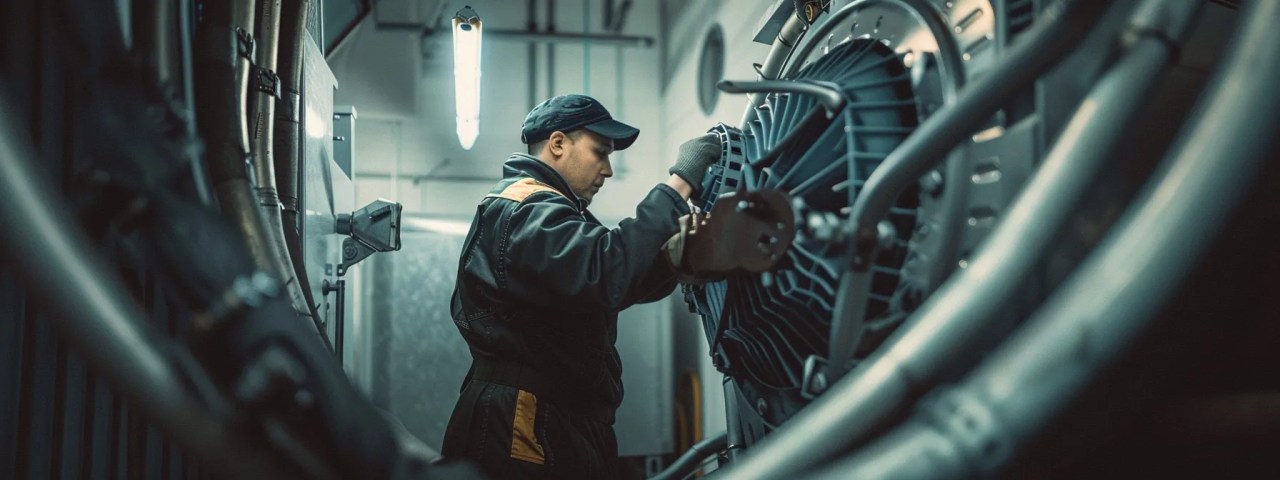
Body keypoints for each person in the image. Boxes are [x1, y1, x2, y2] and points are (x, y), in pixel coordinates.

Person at [441, 94, 721, 479]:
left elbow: (616, 283)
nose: (607, 169)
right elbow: (605, 271)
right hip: (524, 426)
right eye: (600, 152)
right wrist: (681, 182)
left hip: (555, 419)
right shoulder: (525, 209)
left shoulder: (559, 212)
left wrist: (677, 259)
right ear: (557, 144)